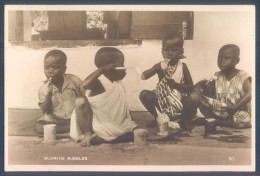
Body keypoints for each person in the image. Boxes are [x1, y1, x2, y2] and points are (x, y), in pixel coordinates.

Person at [69, 47, 137, 147]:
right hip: (94, 124)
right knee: (80, 101)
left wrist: (131, 124)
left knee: (135, 132)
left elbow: (123, 109)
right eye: (121, 64)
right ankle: (88, 135)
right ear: (111, 67)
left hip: (111, 123)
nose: (124, 67)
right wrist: (101, 69)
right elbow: (85, 84)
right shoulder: (99, 82)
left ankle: (101, 138)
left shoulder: (117, 84)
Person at [139, 33, 197, 129]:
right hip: (163, 99)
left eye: (174, 50)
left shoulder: (183, 67)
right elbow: (143, 76)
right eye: (166, 50)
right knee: (144, 94)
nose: (169, 53)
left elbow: (190, 86)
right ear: (162, 52)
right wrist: (156, 68)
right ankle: (159, 118)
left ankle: (183, 120)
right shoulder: (160, 66)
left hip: (179, 99)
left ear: (181, 51)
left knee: (191, 99)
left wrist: (176, 85)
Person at [191, 44, 251, 128]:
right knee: (195, 97)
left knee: (245, 120)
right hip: (222, 110)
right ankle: (218, 120)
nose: (222, 61)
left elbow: (251, 92)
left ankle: (217, 122)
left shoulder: (242, 75)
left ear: (237, 61)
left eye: (227, 58)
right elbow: (209, 97)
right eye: (219, 58)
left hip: (238, 110)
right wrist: (204, 88)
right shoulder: (217, 75)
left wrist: (235, 107)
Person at [34, 50, 86, 134]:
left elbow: (86, 98)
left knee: (90, 117)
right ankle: (72, 127)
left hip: (76, 117)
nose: (50, 71)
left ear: (64, 69)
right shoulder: (43, 88)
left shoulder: (74, 80)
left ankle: (73, 126)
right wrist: (48, 95)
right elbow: (45, 111)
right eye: (47, 67)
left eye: (55, 67)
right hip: (57, 119)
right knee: (38, 127)